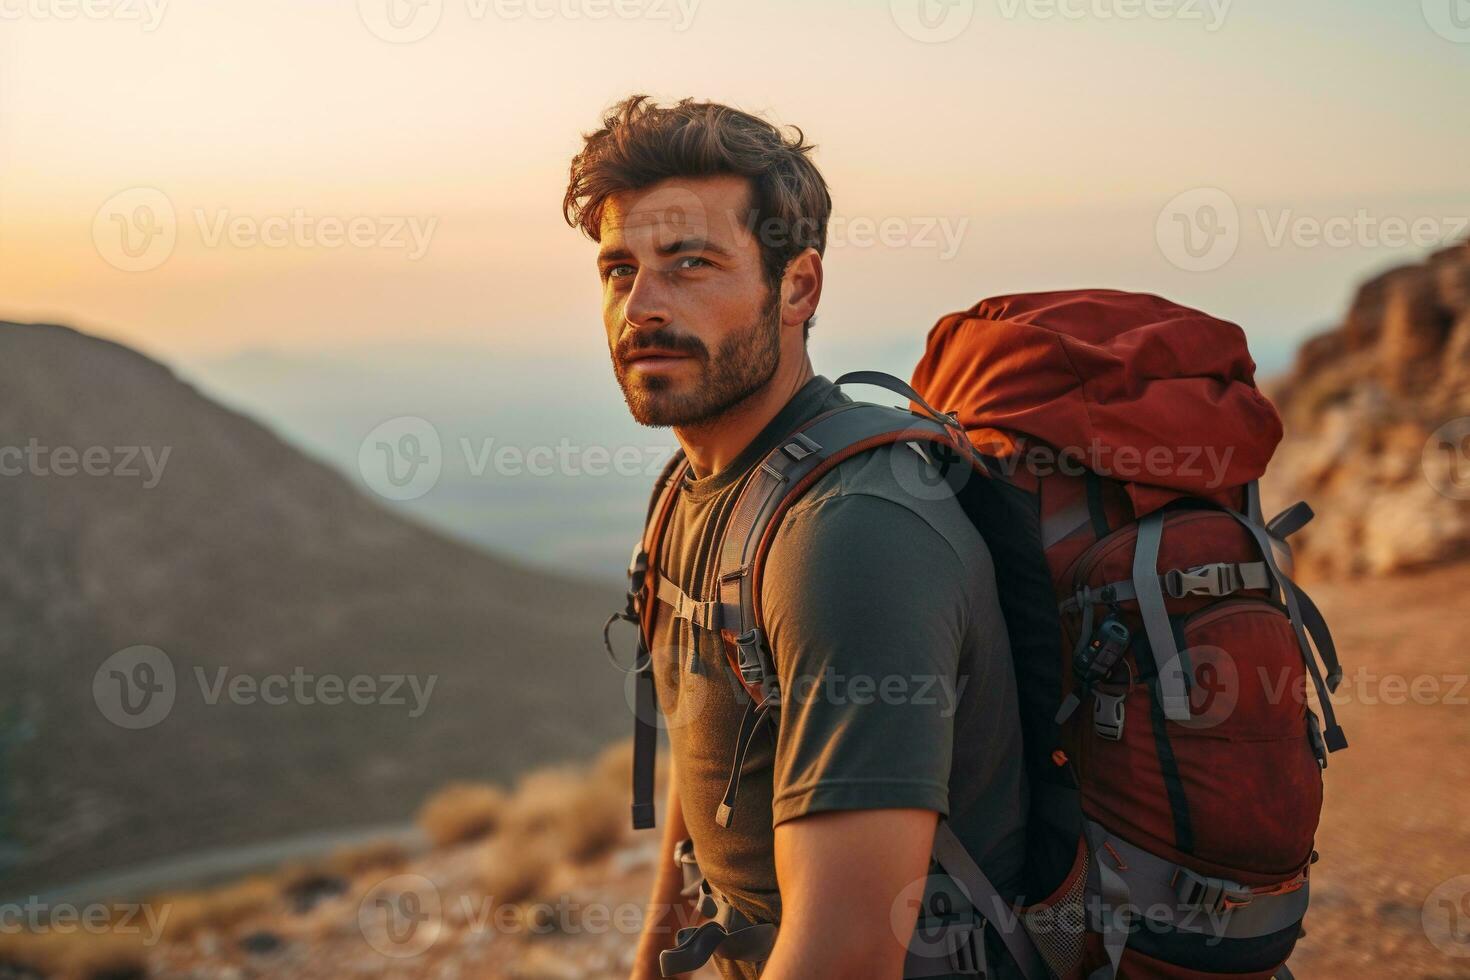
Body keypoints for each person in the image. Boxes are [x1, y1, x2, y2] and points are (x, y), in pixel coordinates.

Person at [563, 95, 1028, 980]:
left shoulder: (851, 536)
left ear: (799, 287)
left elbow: (847, 955)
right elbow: (710, 771)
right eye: (619, 270)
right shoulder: (699, 489)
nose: (642, 308)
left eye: (691, 264)